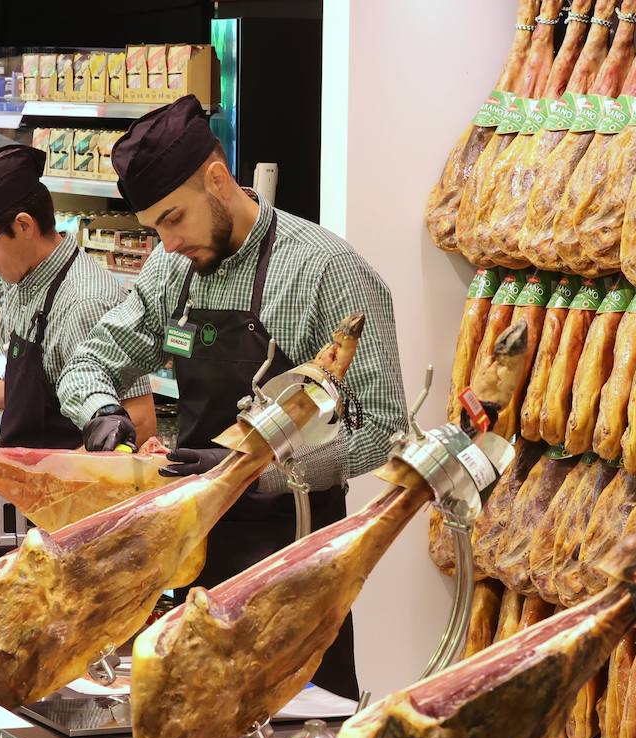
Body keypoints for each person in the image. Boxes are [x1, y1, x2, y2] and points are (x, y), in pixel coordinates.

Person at [58, 97, 406, 698]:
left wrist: (260, 467)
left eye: (174, 219)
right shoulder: (174, 272)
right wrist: (102, 411)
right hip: (191, 556)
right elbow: (89, 360)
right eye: (154, 229)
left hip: (293, 563)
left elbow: (383, 428)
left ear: (218, 180)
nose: (165, 244)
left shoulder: (326, 271)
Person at [0, 143, 155, 449]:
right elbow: (9, 379)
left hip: (69, 491)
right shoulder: (23, 282)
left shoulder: (86, 302)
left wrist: (50, 482)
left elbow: (139, 419)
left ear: (23, 225)